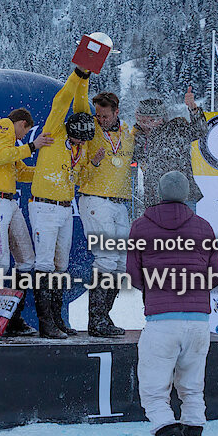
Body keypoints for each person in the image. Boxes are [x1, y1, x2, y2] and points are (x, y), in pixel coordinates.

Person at [127, 171, 218, 436]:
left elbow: (134, 276)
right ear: (186, 194)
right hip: (199, 322)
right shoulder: (204, 227)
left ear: (159, 192)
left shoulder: (140, 226)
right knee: (193, 390)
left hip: (161, 321)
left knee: (154, 395)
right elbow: (214, 277)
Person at [29, 66, 105, 339]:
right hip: (44, 205)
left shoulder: (80, 146)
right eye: (77, 138)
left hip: (65, 208)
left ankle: (58, 318)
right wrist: (78, 75)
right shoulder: (54, 134)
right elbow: (62, 102)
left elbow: (82, 108)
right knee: (45, 264)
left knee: (62, 265)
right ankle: (45, 323)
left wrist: (87, 81)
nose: (79, 142)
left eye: (83, 140)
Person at [0, 108, 53, 336]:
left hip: (7, 200)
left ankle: (11, 319)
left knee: (27, 261)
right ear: (21, 123)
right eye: (24, 132)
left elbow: (22, 173)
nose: (22, 137)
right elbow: (1, 156)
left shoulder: (11, 146)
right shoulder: (4, 125)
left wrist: (48, 172)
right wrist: (32, 146)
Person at [76, 84, 134, 338]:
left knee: (121, 263)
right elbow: (78, 171)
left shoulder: (128, 133)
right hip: (94, 198)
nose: (100, 119)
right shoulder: (89, 132)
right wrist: (95, 160)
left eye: (105, 115)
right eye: (98, 115)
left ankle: (104, 317)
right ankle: (95, 320)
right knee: (107, 258)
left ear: (116, 112)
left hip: (120, 201)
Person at [132, 86, 207, 212]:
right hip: (154, 202)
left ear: (159, 119)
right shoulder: (138, 137)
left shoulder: (176, 128)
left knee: (186, 232)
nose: (141, 124)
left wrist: (193, 108)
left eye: (145, 121)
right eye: (139, 120)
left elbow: (200, 130)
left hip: (184, 198)